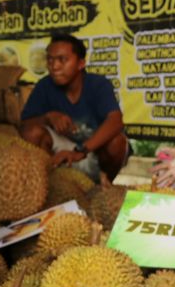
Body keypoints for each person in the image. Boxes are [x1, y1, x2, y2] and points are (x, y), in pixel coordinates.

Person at [20, 33, 128, 181]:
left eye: (62, 60)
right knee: (32, 133)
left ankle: (103, 186)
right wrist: (47, 117)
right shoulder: (44, 86)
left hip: (92, 151)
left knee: (117, 142)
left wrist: (81, 151)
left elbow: (116, 121)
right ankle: (48, 184)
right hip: (60, 153)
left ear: (80, 64)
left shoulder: (98, 84)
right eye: (50, 60)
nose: (54, 66)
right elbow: (25, 125)